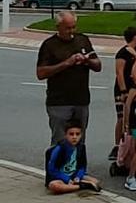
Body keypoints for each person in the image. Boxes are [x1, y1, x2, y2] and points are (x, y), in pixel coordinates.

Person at [36, 11, 102, 144]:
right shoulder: (49, 45)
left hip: (81, 99)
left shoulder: (82, 39)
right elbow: (41, 73)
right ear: (58, 27)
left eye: (73, 27)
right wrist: (66, 63)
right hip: (59, 101)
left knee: (79, 139)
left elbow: (98, 65)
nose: (71, 31)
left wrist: (86, 61)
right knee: (60, 140)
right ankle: (58, 164)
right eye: (67, 28)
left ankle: (77, 164)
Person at [112, 26, 136, 161]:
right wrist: (123, 90)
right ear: (135, 37)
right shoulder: (122, 53)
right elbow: (119, 72)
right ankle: (118, 144)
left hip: (135, 88)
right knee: (121, 117)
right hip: (123, 89)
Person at [44, 121, 100, 194]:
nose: (74, 137)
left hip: (74, 175)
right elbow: (52, 169)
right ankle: (82, 186)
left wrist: (78, 177)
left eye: (77, 134)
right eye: (71, 134)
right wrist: (67, 179)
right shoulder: (60, 148)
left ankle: (75, 185)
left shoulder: (81, 147)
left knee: (96, 181)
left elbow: (82, 167)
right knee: (54, 186)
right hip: (60, 177)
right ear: (65, 135)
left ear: (81, 135)